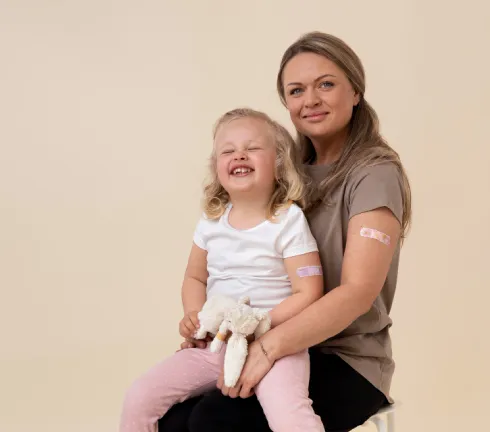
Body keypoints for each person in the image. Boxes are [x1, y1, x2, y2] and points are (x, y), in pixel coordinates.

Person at [158, 31, 412, 432]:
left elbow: (357, 292)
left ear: (355, 91)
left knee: (214, 420)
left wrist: (268, 347)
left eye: (325, 84)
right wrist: (212, 327)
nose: (310, 100)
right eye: (296, 90)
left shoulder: (374, 175)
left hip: (345, 359)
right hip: (262, 339)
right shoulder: (282, 174)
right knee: (172, 420)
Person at [119, 108, 327, 432]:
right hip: (216, 343)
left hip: (276, 346)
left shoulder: (288, 221)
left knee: (290, 415)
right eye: (227, 151)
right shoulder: (211, 221)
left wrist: (261, 323)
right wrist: (194, 316)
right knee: (139, 396)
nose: (239, 155)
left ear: (278, 164)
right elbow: (195, 276)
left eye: (252, 148)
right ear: (216, 168)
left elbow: (309, 292)